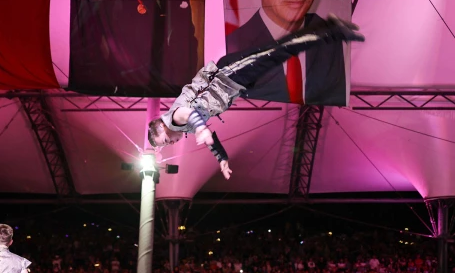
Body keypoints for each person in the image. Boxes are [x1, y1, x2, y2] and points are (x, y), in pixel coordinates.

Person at [147, 15, 364, 178]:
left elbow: (187, 113)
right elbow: (209, 139)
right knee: (278, 50)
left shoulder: (174, 119)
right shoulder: (185, 128)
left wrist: (202, 129)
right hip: (235, 81)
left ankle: (332, 32)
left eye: (165, 141)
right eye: (166, 145)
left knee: (278, 52)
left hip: (229, 74)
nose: (171, 143)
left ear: (163, 126)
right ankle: (327, 27)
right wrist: (222, 158)